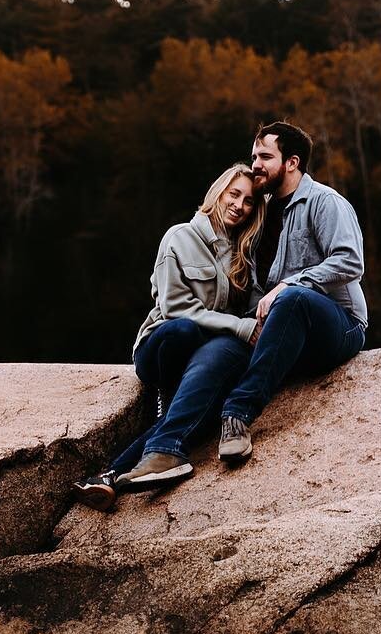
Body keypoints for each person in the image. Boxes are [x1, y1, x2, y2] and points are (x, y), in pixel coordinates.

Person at [73, 163, 263, 510]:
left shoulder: (244, 255)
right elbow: (176, 309)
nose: (240, 205)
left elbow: (252, 309)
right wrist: (237, 327)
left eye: (249, 201)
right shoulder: (180, 237)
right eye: (234, 194)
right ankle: (166, 395)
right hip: (161, 346)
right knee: (185, 330)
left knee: (181, 414)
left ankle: (107, 478)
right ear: (217, 194)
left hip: (200, 359)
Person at [214, 120, 367, 463]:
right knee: (218, 348)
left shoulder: (324, 202)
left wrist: (289, 284)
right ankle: (159, 448)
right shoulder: (260, 212)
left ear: (292, 162)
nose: (255, 164)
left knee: (293, 298)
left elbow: (350, 261)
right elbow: (254, 287)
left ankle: (238, 414)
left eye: (265, 156)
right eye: (254, 156)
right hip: (282, 331)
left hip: (340, 325)